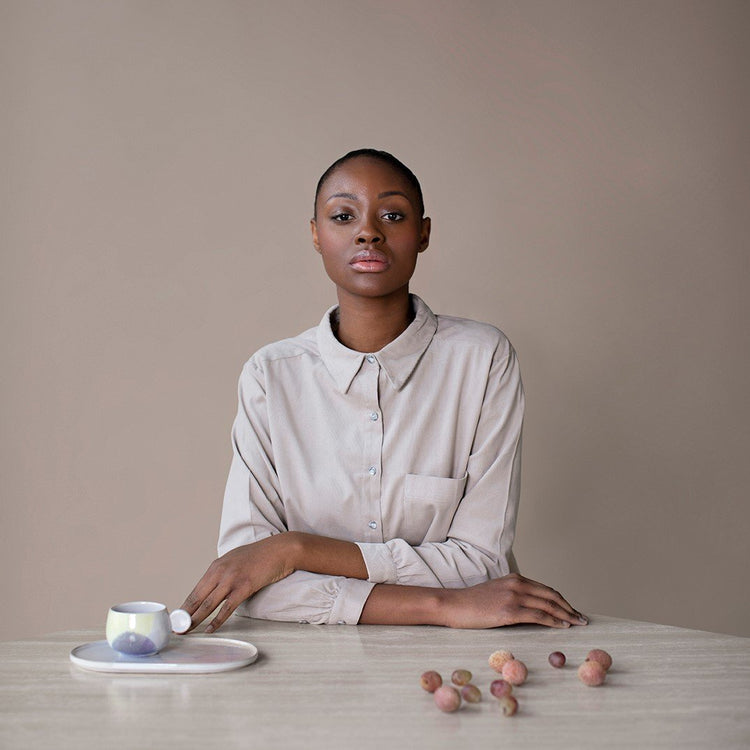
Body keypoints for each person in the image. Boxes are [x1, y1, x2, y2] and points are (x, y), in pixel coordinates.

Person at [180, 148, 588, 633]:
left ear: (424, 233)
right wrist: (445, 606)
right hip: (310, 669)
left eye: (392, 215)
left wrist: (295, 550)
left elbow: (481, 563)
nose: (368, 231)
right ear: (316, 234)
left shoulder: (482, 359)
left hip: (466, 660)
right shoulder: (271, 376)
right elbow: (249, 579)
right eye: (342, 215)